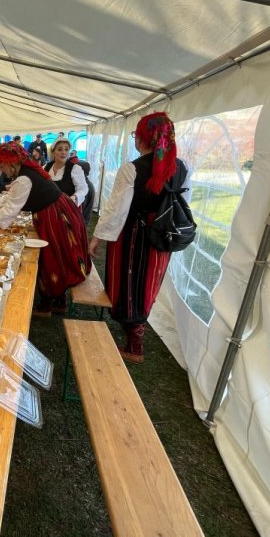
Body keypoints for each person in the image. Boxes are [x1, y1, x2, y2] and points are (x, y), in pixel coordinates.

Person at [89, 112, 188, 363]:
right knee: (148, 284)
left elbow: (116, 209)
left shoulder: (131, 169)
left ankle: (135, 347)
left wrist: (97, 238)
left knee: (129, 285)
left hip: (134, 236)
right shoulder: (181, 167)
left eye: (136, 134)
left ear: (143, 138)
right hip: (161, 235)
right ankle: (134, 338)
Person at [0, 142, 90, 316]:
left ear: (11, 163)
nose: (2, 171)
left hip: (54, 216)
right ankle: (57, 299)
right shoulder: (26, 173)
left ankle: (49, 301)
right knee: (56, 255)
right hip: (56, 212)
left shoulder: (24, 178)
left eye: (2, 166)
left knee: (52, 257)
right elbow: (8, 199)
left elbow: (11, 208)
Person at [45, 137, 89, 213]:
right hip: (48, 210)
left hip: (67, 210)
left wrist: (74, 197)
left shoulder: (75, 169)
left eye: (66, 149)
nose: (63, 152)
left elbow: (83, 188)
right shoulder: (46, 167)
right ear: (53, 152)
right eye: (60, 149)